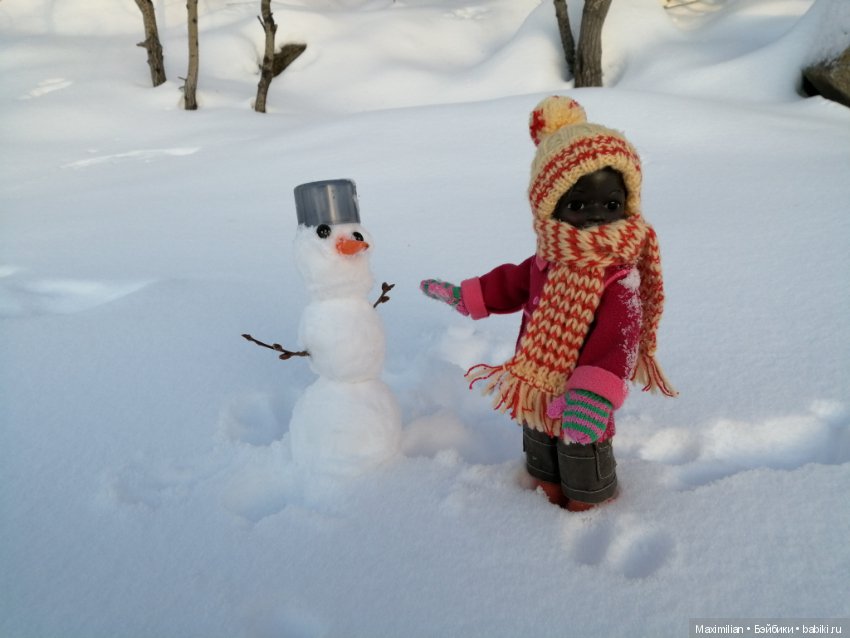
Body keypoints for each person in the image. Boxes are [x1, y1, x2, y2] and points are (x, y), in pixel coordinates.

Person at [420, 96, 676, 511]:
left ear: (627, 203)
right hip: (536, 387)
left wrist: (594, 396)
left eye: (610, 204)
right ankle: (541, 502)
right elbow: (510, 283)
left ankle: (585, 512)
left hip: (583, 404)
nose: (595, 217)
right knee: (541, 456)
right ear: (548, 208)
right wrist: (466, 296)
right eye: (576, 205)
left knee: (583, 467)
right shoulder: (548, 260)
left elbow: (620, 337)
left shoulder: (618, 275)